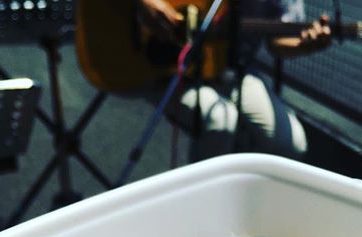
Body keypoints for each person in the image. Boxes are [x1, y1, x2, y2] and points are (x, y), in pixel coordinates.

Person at [138, 0, 332, 160]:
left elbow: (277, 42)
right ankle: (202, 201)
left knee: (290, 145)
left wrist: (305, 45)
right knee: (220, 121)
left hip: (235, 71)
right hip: (166, 70)